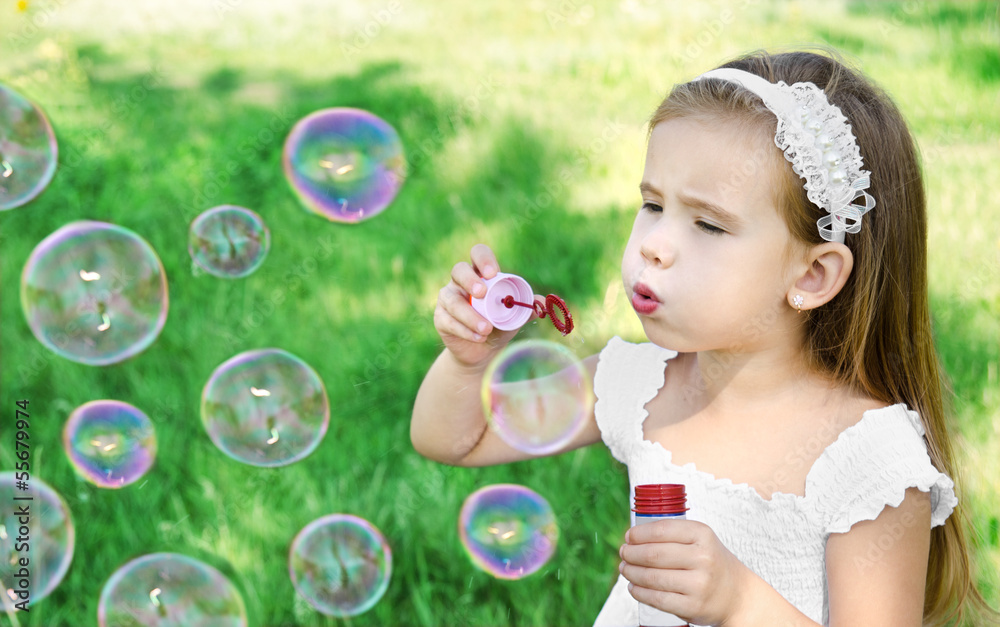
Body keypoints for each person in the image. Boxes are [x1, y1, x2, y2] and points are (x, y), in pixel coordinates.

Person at [411, 49, 996, 626]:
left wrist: (741, 602)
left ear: (812, 275)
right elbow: (458, 439)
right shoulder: (639, 384)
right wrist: (467, 364)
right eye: (652, 203)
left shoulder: (866, 459)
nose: (654, 245)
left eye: (708, 223)